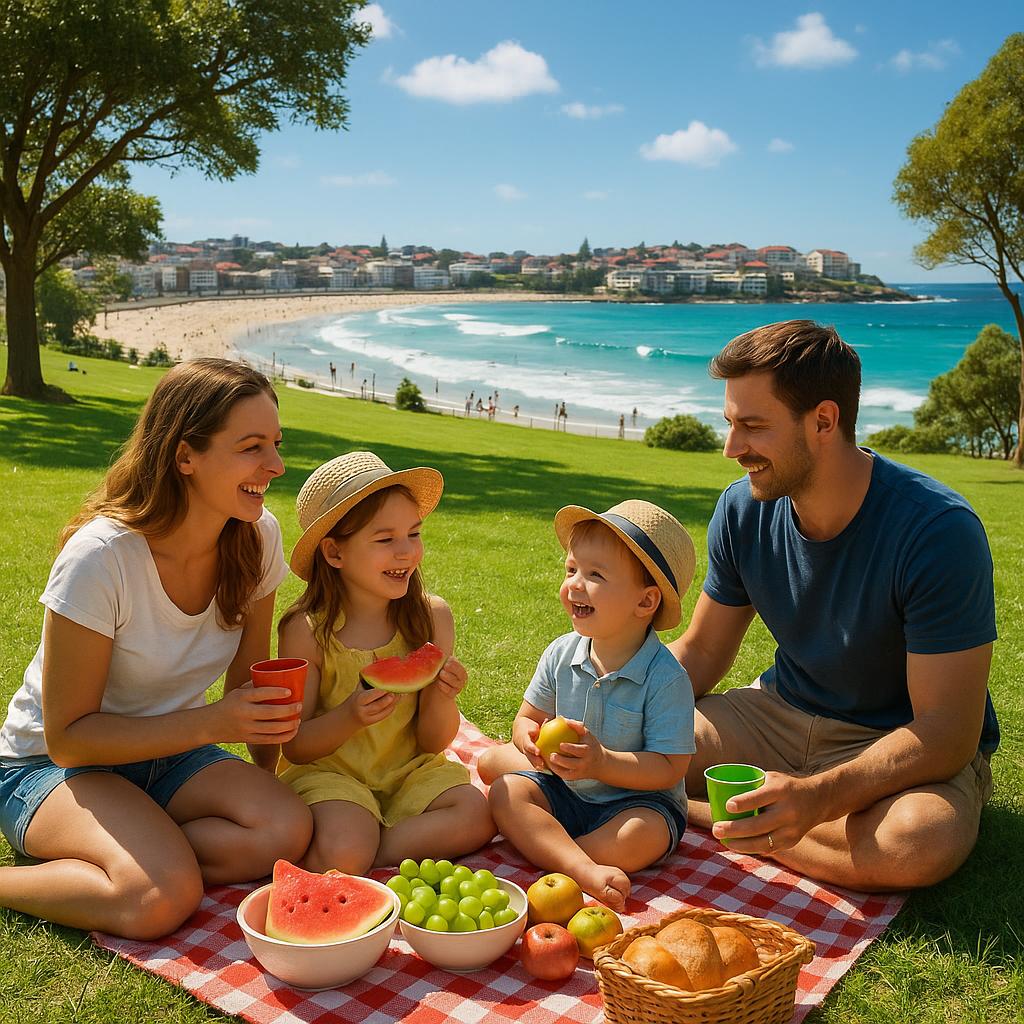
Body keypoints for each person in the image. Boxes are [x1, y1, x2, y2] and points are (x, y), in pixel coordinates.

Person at [668, 320, 998, 892]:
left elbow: (946, 732)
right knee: (630, 737)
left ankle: (697, 813)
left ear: (824, 420)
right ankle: (788, 827)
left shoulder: (937, 531)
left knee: (918, 840)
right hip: (776, 715)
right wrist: (601, 696)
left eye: (752, 426)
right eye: (730, 424)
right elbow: (701, 650)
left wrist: (819, 796)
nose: (731, 448)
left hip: (896, 742)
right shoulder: (743, 510)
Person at [0, 359, 312, 940]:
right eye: (252, 447)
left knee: (287, 830)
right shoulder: (103, 558)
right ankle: (127, 865)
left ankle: (137, 849)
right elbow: (69, 737)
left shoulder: (258, 536)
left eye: (275, 443)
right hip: (49, 766)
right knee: (159, 898)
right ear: (185, 455)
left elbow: (252, 687)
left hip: (168, 753)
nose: (275, 466)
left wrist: (265, 779)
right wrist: (214, 721)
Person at [275, 451, 495, 874]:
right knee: (346, 843)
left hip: (410, 770)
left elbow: (434, 741)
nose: (406, 552)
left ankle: (370, 852)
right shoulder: (307, 630)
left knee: (477, 814)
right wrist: (349, 717)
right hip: (331, 775)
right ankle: (359, 849)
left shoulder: (433, 618)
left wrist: (444, 698)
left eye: (413, 534)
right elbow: (296, 745)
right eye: (385, 539)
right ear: (335, 553)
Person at [480, 501, 697, 911]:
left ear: (645, 602)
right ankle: (576, 861)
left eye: (595, 575)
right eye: (571, 569)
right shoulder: (561, 652)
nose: (575, 584)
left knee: (641, 836)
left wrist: (602, 764)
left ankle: (563, 855)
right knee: (507, 789)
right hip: (565, 787)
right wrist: (526, 739)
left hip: (636, 803)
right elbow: (528, 717)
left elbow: (670, 767)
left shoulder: (666, 678)